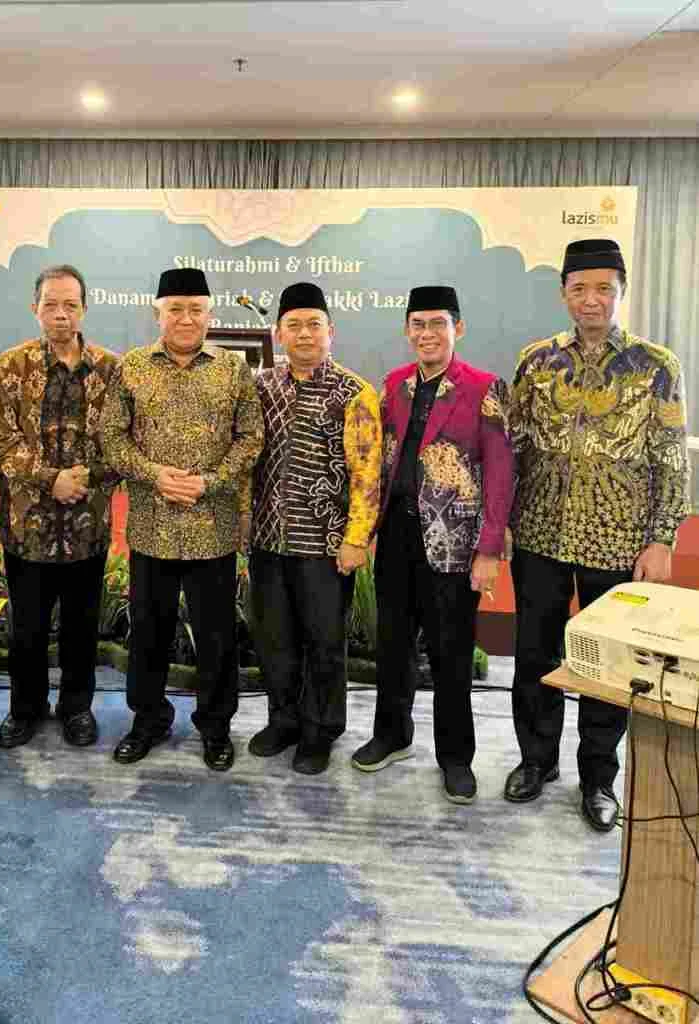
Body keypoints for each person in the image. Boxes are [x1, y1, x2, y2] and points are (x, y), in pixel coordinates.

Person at [505, 239, 691, 831]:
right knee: (535, 654)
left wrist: (662, 538)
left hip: (618, 541)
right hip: (539, 535)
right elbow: (513, 449)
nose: (592, 299)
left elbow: (672, 459)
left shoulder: (655, 365)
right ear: (564, 293)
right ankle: (536, 761)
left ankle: (599, 778)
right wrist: (501, 524)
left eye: (604, 288)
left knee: (608, 663)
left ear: (620, 292)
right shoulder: (536, 361)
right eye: (580, 288)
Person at [351, 286, 514, 804]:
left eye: (437, 324)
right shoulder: (394, 385)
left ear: (457, 328)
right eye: (418, 324)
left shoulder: (484, 388)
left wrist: (489, 550)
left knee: (451, 654)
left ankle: (456, 758)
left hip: (454, 543)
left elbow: (501, 473)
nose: (427, 334)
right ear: (407, 330)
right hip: (397, 536)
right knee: (393, 646)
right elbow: (377, 460)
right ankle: (391, 735)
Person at [99, 267, 263, 771]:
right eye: (175, 309)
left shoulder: (232, 370)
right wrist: (155, 476)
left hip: (213, 530)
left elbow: (251, 437)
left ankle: (215, 727)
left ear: (209, 315)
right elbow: (112, 436)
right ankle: (148, 720)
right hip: (152, 528)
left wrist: (209, 482)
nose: (186, 318)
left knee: (216, 637)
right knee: (149, 634)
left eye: (195, 309)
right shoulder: (131, 367)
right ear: (158, 314)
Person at [0, 265, 119, 749]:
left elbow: (121, 438)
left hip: (87, 524)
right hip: (28, 526)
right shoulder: (10, 367)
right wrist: (49, 480)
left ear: (84, 309)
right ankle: (26, 708)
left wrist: (82, 479)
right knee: (28, 627)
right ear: (34, 308)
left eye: (70, 305)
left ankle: (76, 707)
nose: (61, 314)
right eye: (51, 305)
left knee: (82, 626)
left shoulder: (110, 369)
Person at [248, 282, 381, 774]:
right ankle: (283, 720)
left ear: (331, 331)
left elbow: (367, 474)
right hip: (268, 540)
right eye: (294, 325)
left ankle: (320, 732)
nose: (304, 334)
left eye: (314, 324)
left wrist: (356, 538)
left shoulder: (353, 392)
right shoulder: (261, 386)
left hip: (325, 546)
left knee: (324, 644)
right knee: (274, 640)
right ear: (278, 333)